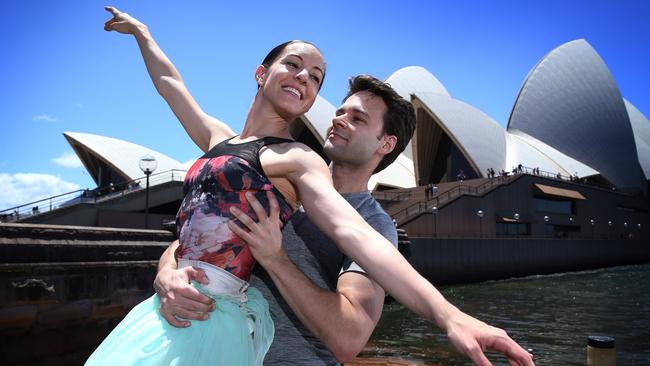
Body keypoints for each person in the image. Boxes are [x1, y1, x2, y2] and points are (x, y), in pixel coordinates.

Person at [91, 7, 534, 366]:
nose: (306, 78)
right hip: (173, 312)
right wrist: (166, 271)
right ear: (261, 73)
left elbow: (353, 234)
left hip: (229, 330)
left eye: (316, 77)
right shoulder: (218, 138)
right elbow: (173, 89)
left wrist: (450, 316)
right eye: (295, 65)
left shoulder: (300, 162)